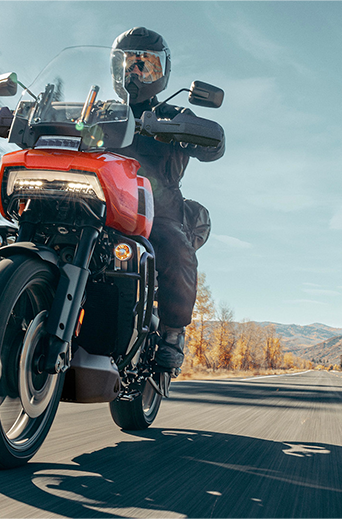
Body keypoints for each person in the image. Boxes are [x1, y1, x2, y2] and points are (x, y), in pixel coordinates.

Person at [108, 27, 225, 373]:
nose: (136, 73)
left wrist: (190, 131)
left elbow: (214, 144)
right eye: (128, 64)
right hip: (101, 200)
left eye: (146, 66)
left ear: (161, 73)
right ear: (116, 69)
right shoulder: (100, 110)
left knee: (174, 244)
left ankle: (173, 333)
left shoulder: (173, 115)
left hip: (155, 207)